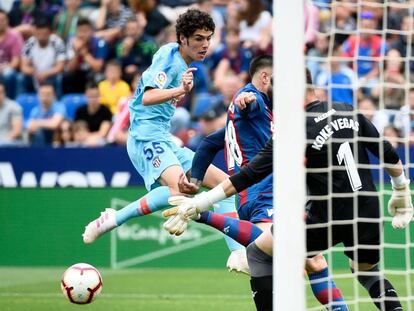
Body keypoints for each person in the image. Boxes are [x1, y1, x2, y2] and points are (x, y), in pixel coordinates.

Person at [163, 70, 413, 311]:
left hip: (326, 215)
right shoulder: (348, 110)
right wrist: (401, 189)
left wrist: (202, 202)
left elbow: (250, 174)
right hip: (367, 210)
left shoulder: (294, 129)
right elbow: (387, 152)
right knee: (367, 273)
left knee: (258, 254)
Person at [82, 8, 246, 273]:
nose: (205, 44)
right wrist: (180, 89)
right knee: (179, 190)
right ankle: (115, 219)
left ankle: (238, 254)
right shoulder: (169, 59)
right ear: (182, 38)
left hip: (164, 137)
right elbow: (146, 97)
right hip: (145, 136)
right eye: (198, 39)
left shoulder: (182, 59)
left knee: (224, 186)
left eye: (208, 38)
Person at [74, 81, 112, 147]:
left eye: (96, 96)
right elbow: (77, 133)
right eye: (90, 96)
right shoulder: (79, 111)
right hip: (82, 141)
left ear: (100, 95)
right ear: (85, 95)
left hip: (100, 141)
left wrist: (88, 137)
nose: (93, 99)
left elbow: (103, 133)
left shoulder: (106, 111)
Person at [0, 81, 23, 145]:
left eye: (0, 92)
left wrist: (3, 142)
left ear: (5, 93)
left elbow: (17, 131)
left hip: (10, 143)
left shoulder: (14, 107)